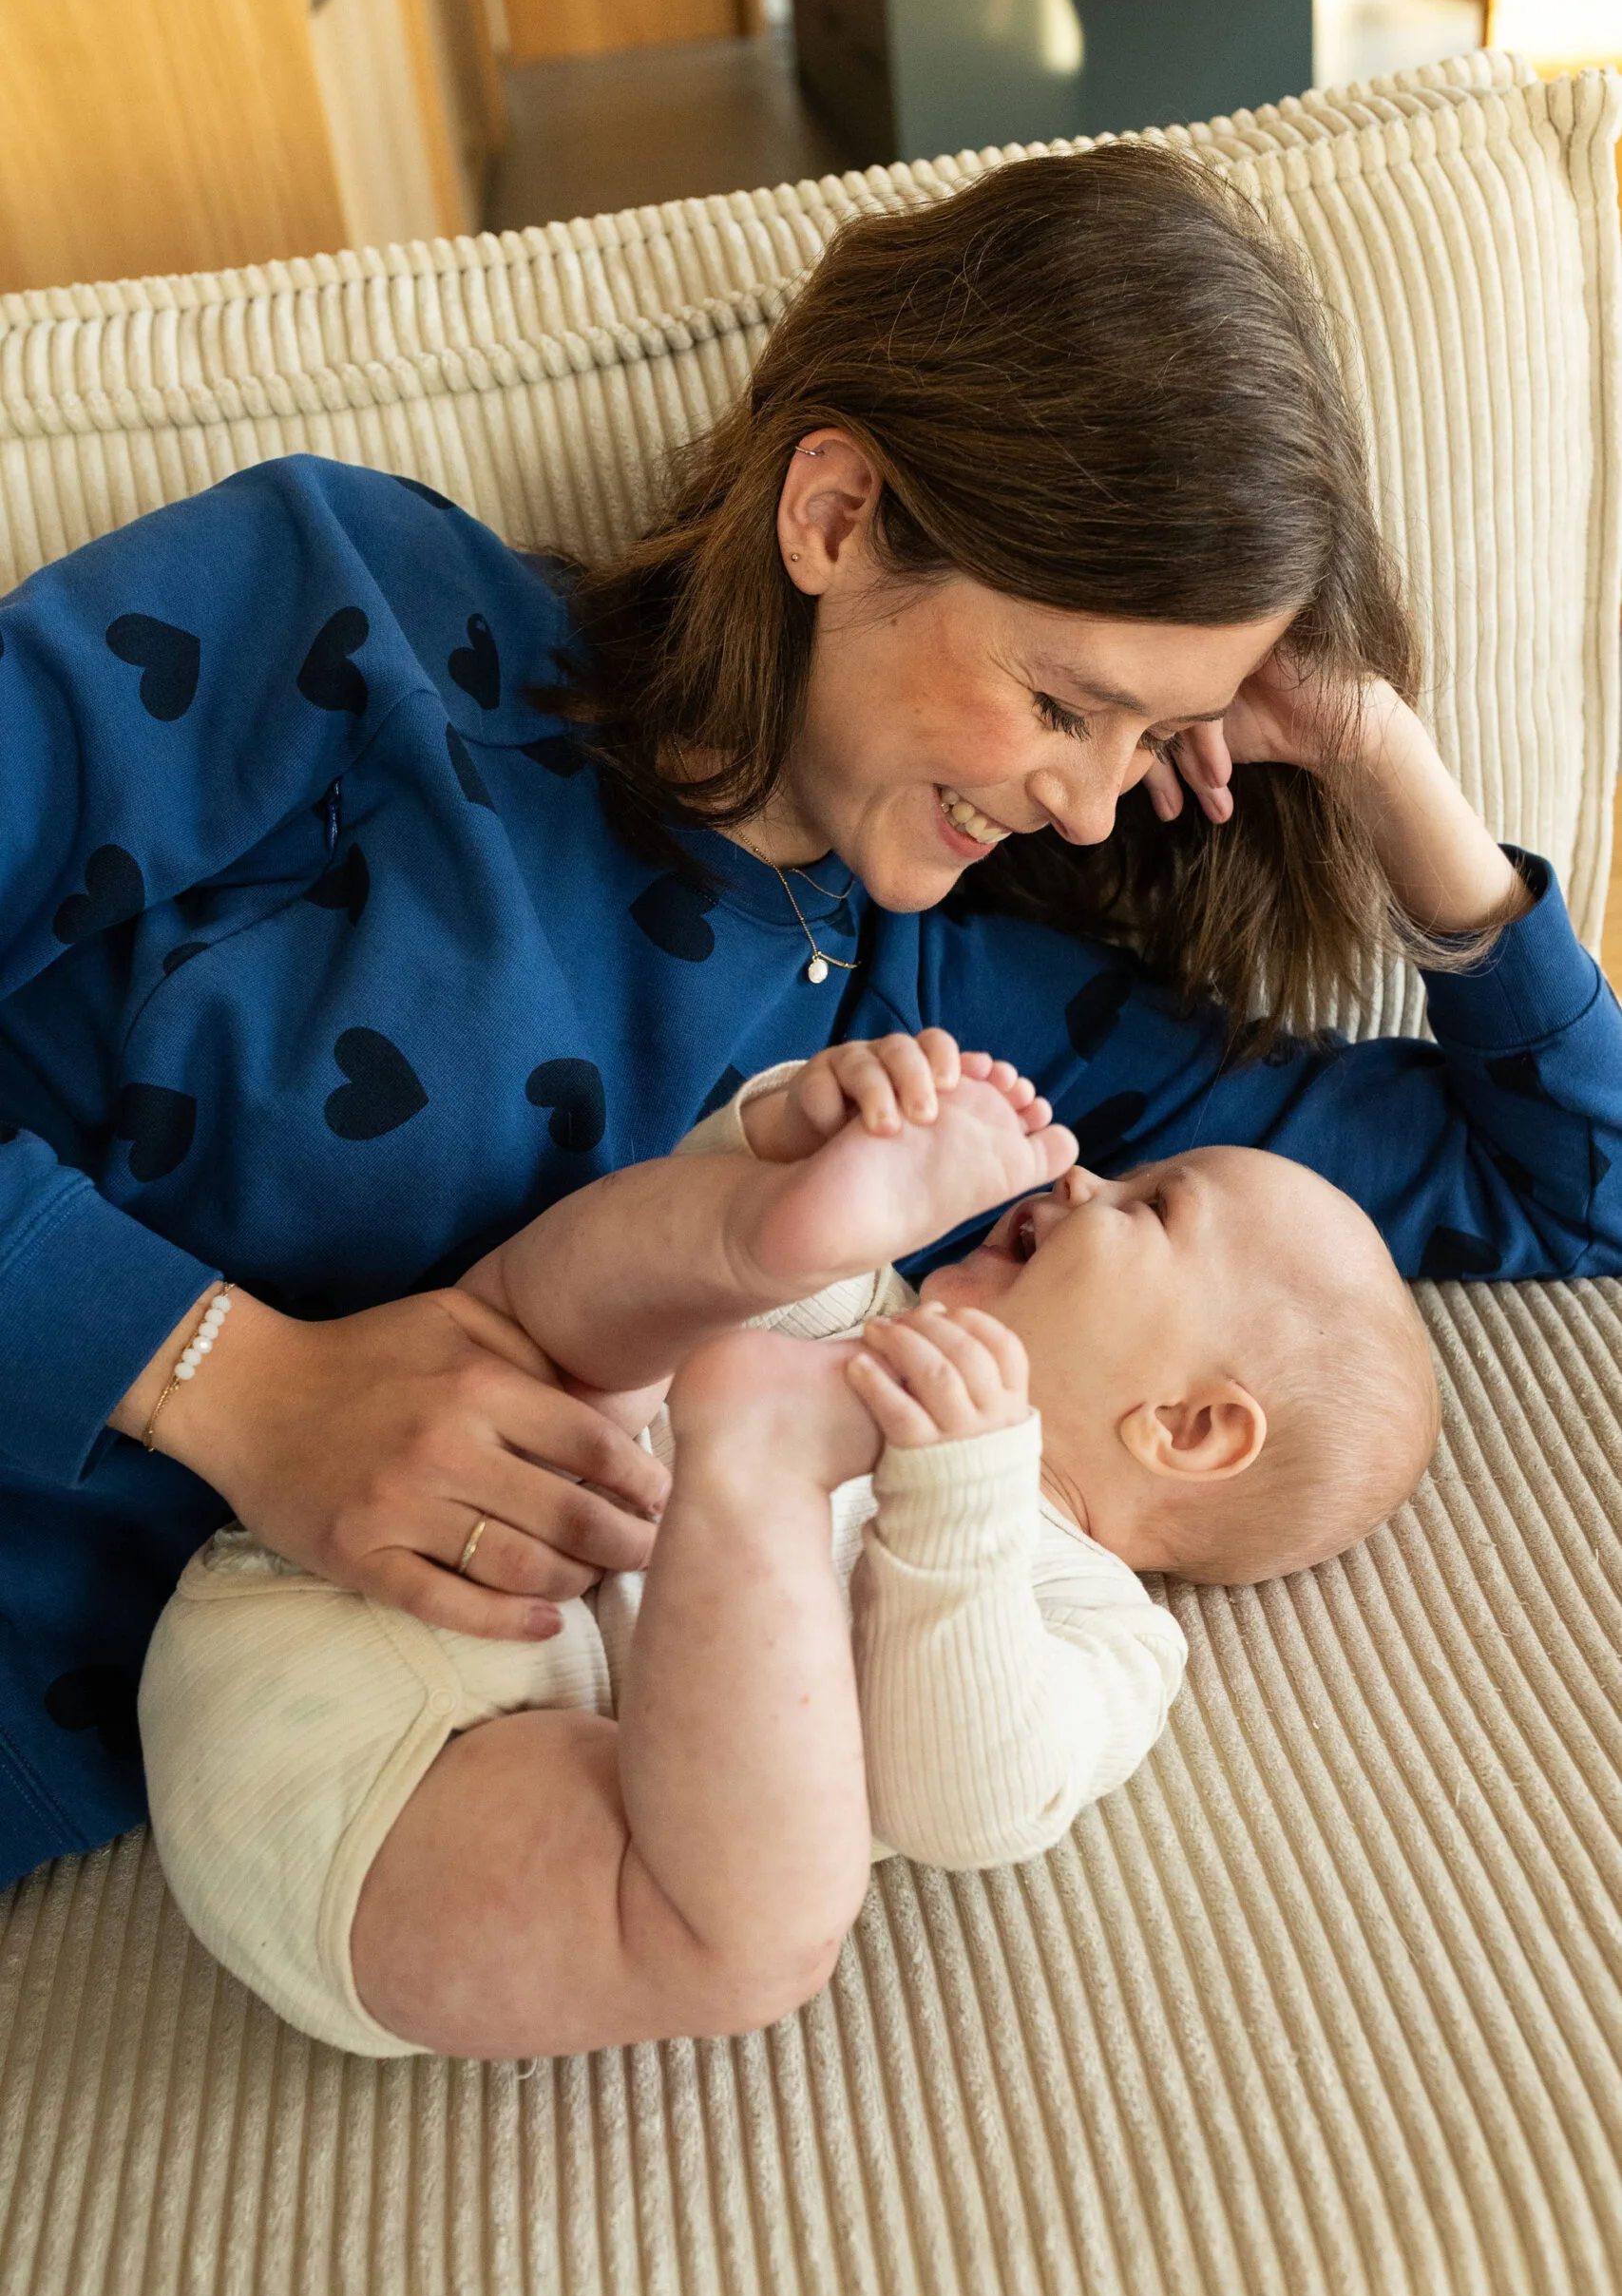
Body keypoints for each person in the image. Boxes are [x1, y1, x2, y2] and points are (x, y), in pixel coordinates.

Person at [0, 146, 1617, 1888]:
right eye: (1065, 703)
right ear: (833, 518)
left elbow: (1571, 1189)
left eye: (1152, 740)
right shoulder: (348, 609)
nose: (1092, 806)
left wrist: (1378, 755)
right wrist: (232, 1385)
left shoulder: (961, 1042)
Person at [138, 1029, 1437, 2058]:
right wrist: (782, 1149)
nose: (1084, 1174)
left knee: (752, 1933)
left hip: (405, 1807)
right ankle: (759, 1218)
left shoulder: (1097, 1629)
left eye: (1151, 1208)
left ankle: (750, 1467)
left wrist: (965, 1488)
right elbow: (620, 1283)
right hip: (373, 1521)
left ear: (1193, 1430)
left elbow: (963, 1803)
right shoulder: (857, 1308)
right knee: (568, 1338)